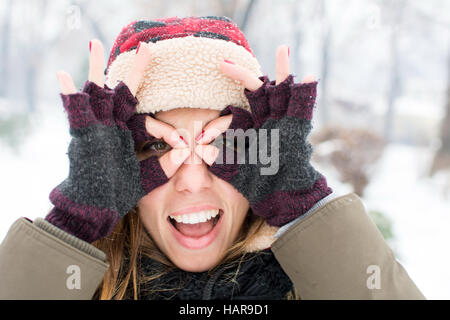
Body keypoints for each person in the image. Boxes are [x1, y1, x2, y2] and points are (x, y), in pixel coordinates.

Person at [0, 16, 425, 300]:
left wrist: (305, 208)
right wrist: (73, 230)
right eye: (158, 147)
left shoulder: (315, 285)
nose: (192, 181)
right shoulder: (80, 287)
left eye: (221, 146)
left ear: (265, 156)